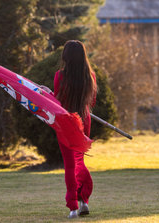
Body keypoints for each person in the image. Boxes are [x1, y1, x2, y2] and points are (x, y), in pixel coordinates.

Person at [42, 40, 97, 218]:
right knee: (79, 161)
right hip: (84, 120)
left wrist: (46, 93)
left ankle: (73, 207)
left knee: (70, 165)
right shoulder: (90, 76)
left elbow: (59, 103)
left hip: (67, 123)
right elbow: (92, 102)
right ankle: (84, 201)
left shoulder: (60, 76)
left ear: (65, 56)